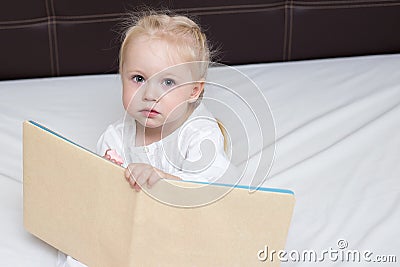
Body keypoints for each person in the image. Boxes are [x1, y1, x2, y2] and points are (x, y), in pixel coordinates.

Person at [57, 10, 231, 267]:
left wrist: (165, 179)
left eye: (168, 82)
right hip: (133, 223)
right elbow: (105, 194)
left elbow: (213, 189)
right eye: (138, 79)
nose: (150, 94)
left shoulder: (201, 134)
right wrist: (107, 175)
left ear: (194, 90)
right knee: (77, 243)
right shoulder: (117, 135)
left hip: (184, 222)